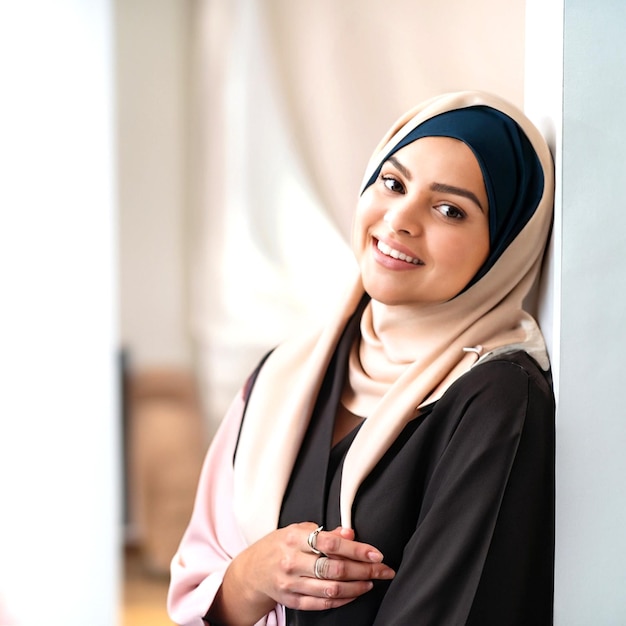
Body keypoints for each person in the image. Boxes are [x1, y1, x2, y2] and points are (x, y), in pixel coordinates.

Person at [167, 90, 555, 626]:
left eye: (450, 209)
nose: (400, 219)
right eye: (393, 183)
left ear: (504, 247)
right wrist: (254, 573)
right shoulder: (285, 373)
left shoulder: (499, 400)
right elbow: (197, 589)